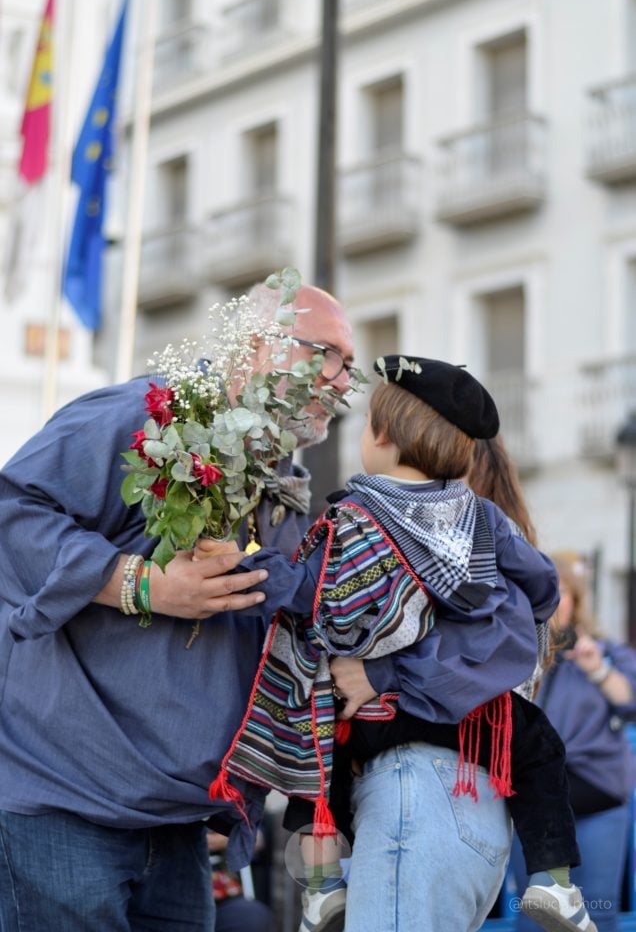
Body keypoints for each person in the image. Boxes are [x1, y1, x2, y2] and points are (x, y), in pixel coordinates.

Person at [0, 282, 354, 932]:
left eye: (350, 366)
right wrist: (140, 583)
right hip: (66, 806)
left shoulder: (282, 486)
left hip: (181, 829)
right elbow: (11, 513)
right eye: (328, 354)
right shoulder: (148, 414)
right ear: (255, 348)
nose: (342, 380)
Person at [208, 356, 589, 932]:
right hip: (464, 739)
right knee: (539, 745)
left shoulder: (352, 519)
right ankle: (554, 883)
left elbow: (311, 590)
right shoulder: (483, 521)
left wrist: (248, 568)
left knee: (318, 750)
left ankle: (320, 883)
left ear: (382, 436)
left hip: (394, 760)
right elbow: (541, 583)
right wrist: (517, 612)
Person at [509, 551, 636, 932]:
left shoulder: (606, 652)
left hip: (597, 797)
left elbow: (629, 700)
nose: (551, 600)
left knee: (597, 911)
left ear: (577, 600)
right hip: (533, 801)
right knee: (534, 915)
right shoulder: (517, 656)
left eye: (560, 591)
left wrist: (596, 668)